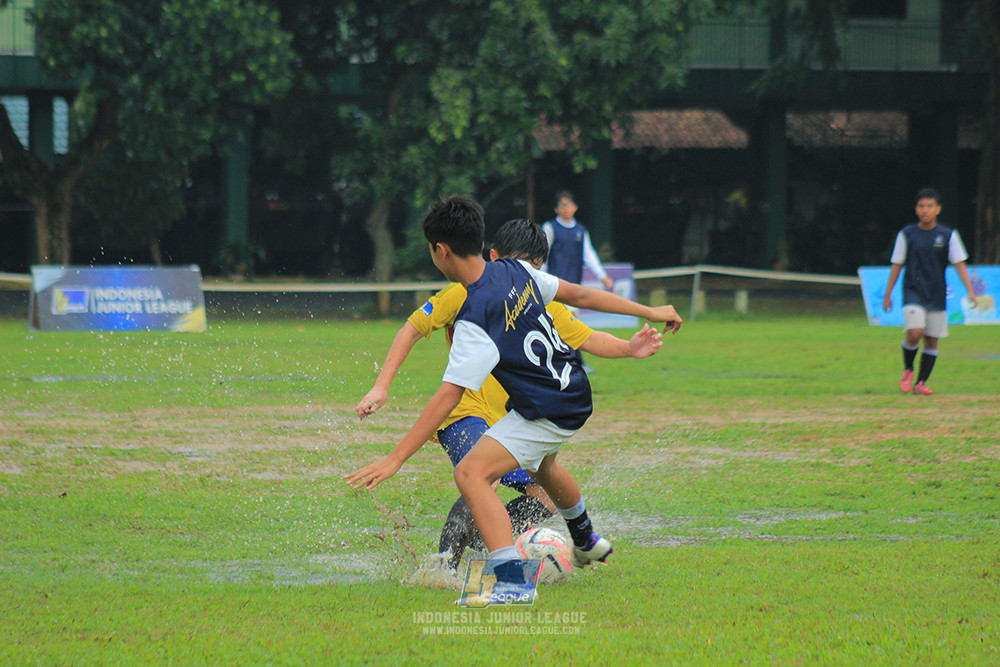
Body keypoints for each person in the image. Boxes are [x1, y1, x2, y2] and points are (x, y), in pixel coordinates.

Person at [346, 195, 682, 605]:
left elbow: (448, 397)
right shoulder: (517, 271)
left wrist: (395, 458)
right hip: (569, 393)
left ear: (441, 250)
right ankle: (585, 539)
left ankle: (512, 582)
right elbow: (582, 295)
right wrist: (647, 310)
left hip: (546, 410)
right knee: (544, 466)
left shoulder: (474, 318)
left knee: (472, 475)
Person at [883, 187, 977, 395]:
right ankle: (908, 368)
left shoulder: (948, 235)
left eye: (929, 206)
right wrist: (888, 294)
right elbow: (897, 264)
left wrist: (970, 290)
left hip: (936, 293)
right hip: (913, 292)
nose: (925, 210)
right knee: (915, 332)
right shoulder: (907, 234)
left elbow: (960, 264)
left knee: (932, 339)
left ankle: (921, 383)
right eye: (921, 206)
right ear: (916, 209)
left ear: (938, 209)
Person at [542, 190, 613, 373]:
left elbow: (589, 254)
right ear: (556, 209)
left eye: (569, 204)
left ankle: (573, 362)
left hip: (573, 286)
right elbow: (542, 255)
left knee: (569, 324)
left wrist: (602, 275)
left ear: (575, 207)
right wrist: (539, 279)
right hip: (553, 286)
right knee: (557, 324)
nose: (566, 208)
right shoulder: (550, 228)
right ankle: (573, 362)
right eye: (562, 205)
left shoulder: (580, 230)